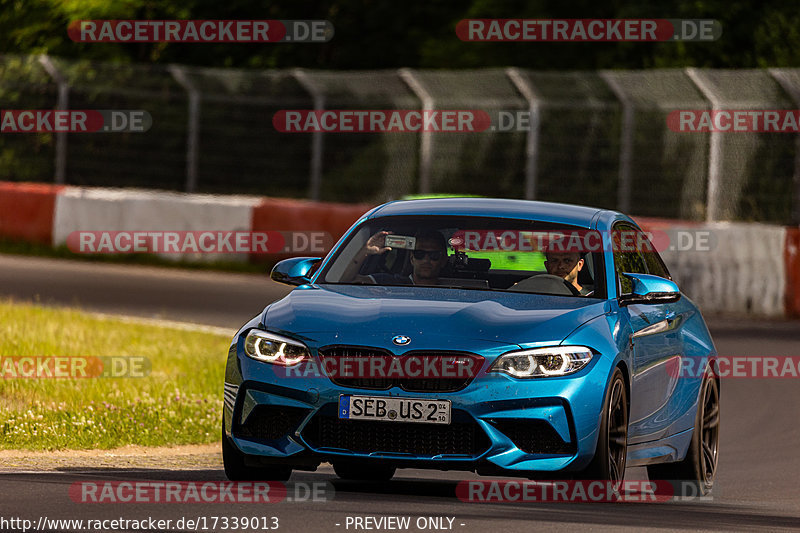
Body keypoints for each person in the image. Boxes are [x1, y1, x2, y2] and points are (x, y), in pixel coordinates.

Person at [341, 229, 449, 285]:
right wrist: (365, 251)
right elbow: (347, 281)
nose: (426, 260)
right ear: (412, 258)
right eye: (419, 254)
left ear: (443, 260)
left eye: (434, 255)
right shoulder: (390, 283)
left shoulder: (453, 290)